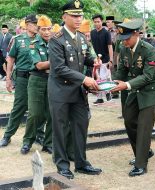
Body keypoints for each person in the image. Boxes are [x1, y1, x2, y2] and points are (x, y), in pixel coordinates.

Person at [48, 0, 102, 179]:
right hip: (60, 91)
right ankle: (62, 164)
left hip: (78, 91)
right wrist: (85, 79)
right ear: (64, 17)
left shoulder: (80, 37)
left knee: (81, 126)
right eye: (74, 15)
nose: (78, 19)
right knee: (61, 129)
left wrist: (93, 61)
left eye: (80, 15)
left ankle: (81, 163)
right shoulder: (56, 39)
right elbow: (59, 68)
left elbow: (83, 58)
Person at [111, 19, 155, 176]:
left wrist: (126, 85)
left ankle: (141, 164)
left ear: (136, 34)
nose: (124, 42)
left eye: (126, 38)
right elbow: (121, 70)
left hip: (150, 91)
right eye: (122, 39)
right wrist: (111, 83)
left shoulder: (148, 49)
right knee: (129, 121)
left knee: (144, 127)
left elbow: (147, 76)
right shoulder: (123, 47)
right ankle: (144, 152)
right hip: (134, 89)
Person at [0, 14, 45, 148]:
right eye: (34, 23)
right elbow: (10, 60)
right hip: (22, 78)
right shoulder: (18, 39)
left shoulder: (41, 38)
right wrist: (8, 79)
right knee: (19, 107)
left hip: (37, 78)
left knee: (39, 108)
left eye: (38, 24)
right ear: (27, 25)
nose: (37, 26)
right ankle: (7, 136)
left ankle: (39, 135)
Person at [20, 15, 53, 155]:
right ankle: (27, 141)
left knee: (51, 113)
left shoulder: (56, 43)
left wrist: (51, 66)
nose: (46, 32)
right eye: (43, 29)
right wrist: (57, 61)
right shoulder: (33, 44)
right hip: (36, 80)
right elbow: (39, 65)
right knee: (35, 113)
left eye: (48, 29)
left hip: (52, 81)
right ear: (38, 30)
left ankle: (48, 143)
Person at [91, 14, 113, 104]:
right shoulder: (92, 33)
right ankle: (100, 97)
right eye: (95, 22)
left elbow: (110, 47)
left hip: (105, 59)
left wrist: (111, 60)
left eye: (98, 22)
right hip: (97, 60)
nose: (97, 23)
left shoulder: (106, 32)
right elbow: (92, 46)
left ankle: (108, 92)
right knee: (98, 78)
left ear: (101, 22)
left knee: (104, 77)